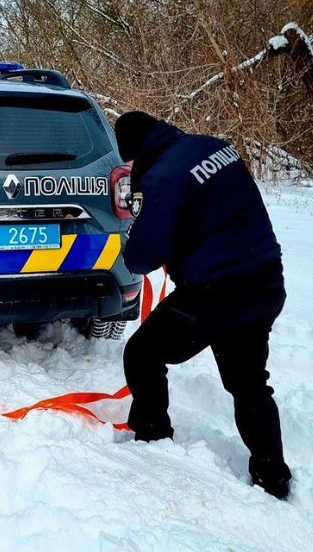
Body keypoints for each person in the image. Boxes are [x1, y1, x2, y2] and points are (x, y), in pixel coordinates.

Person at [115, 111, 290, 499]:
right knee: (248, 382)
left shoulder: (161, 178)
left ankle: (152, 438)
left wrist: (135, 235)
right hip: (265, 280)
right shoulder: (213, 147)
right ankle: (273, 475)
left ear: (134, 151)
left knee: (142, 354)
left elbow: (142, 256)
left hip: (215, 293)